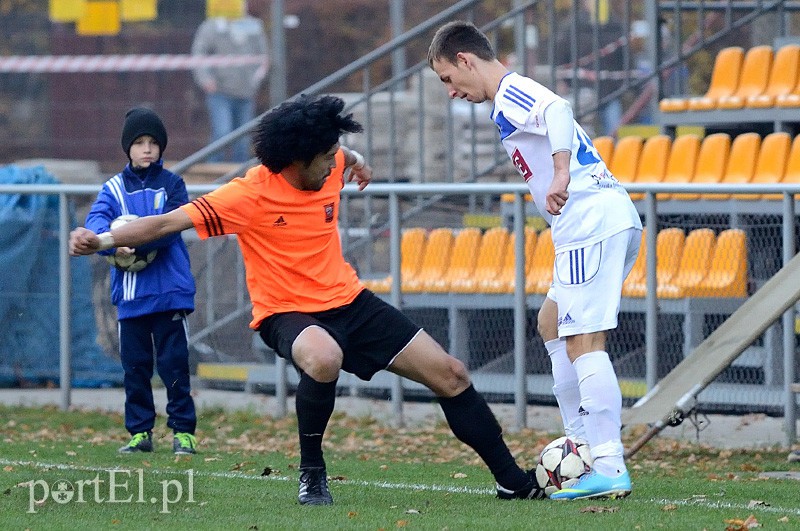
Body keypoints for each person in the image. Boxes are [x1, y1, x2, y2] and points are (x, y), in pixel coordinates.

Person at [70, 94, 545, 505]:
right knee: (323, 356)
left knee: (451, 373)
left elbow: (346, 154)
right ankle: (312, 474)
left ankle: (512, 482)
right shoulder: (247, 194)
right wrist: (102, 240)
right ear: (298, 158)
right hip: (285, 311)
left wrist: (357, 160)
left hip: (349, 300)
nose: (334, 159)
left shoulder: (332, 161)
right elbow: (165, 224)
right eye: (329, 154)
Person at [428, 21, 643, 500]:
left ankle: (606, 461)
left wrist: (562, 172)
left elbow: (558, 108)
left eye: (447, 78)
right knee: (551, 323)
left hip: (590, 222)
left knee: (584, 341)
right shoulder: (506, 100)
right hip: (595, 222)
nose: (451, 91)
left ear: (465, 60)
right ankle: (581, 443)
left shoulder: (511, 90)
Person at [83, 107, 198, 455]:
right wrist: (111, 245)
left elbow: (174, 224)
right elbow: (96, 223)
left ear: (161, 147)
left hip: (169, 293)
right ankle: (140, 432)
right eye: (139, 142)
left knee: (174, 365)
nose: (146, 148)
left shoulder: (173, 185)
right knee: (135, 368)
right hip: (132, 297)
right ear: (127, 148)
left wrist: (139, 239)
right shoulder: (114, 189)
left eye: (153, 142)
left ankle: (183, 432)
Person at [191, 3, 269, 162]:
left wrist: (254, 81)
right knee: (222, 133)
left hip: (245, 92)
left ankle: (239, 175)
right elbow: (199, 53)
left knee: (243, 139)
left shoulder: (252, 27)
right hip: (220, 91)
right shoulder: (211, 26)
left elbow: (263, 55)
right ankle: (212, 173)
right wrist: (205, 79)